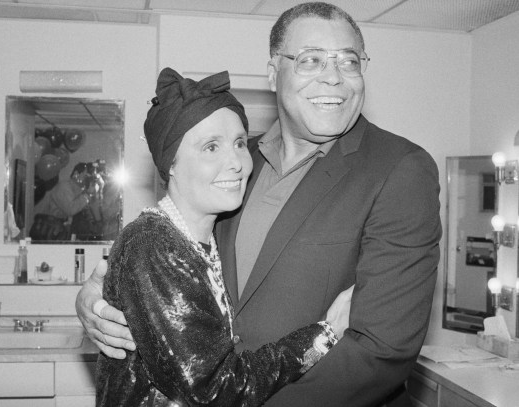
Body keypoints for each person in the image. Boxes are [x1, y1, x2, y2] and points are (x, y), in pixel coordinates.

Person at [77, 2, 442, 406]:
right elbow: (161, 253)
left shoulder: (398, 169)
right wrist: (94, 300)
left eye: (349, 61)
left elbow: (380, 352)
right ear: (273, 73)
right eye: (311, 60)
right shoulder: (235, 167)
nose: (334, 78)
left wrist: (235, 398)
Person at [94, 67, 351, 406]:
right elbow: (214, 390)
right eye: (211, 147)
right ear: (170, 162)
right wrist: (325, 334)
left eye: (240, 143)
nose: (236, 162)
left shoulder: (203, 238)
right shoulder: (153, 244)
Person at [31, 162, 99, 240]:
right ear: (76, 174)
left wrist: (95, 193)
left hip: (61, 233)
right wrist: (87, 194)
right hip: (49, 232)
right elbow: (70, 209)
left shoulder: (80, 190)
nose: (87, 179)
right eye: (86, 176)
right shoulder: (64, 187)